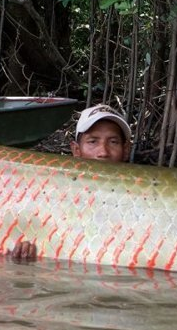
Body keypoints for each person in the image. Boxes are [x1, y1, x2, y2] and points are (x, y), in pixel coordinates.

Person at [11, 103, 132, 261]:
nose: (103, 152)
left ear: (126, 150)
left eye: (113, 142)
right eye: (93, 141)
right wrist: (25, 252)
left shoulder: (142, 197)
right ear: (76, 150)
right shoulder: (53, 195)